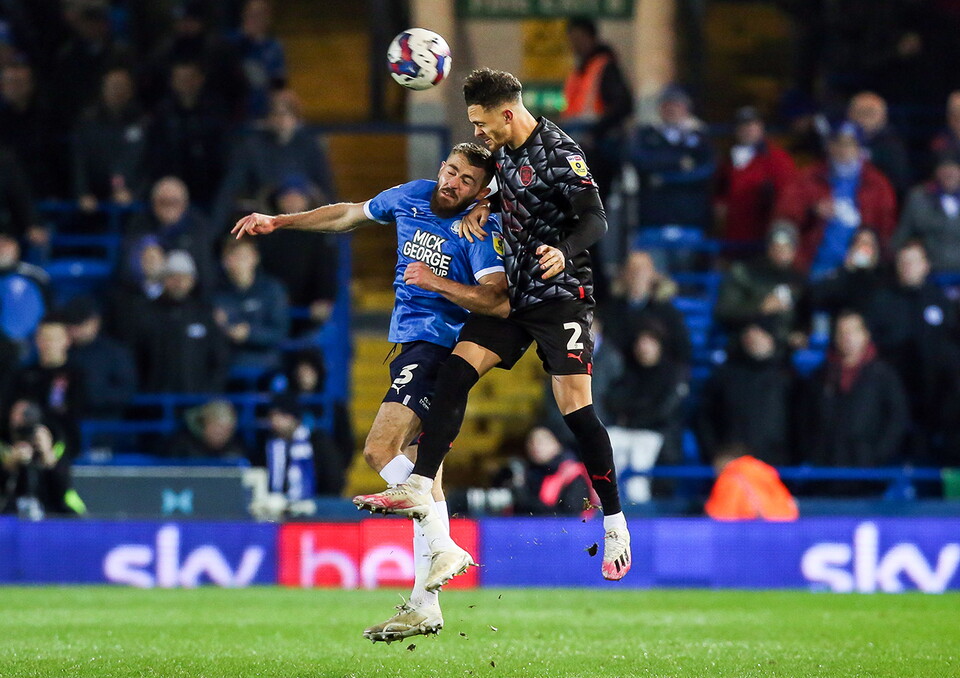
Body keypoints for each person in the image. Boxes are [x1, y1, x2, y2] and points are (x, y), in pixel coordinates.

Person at [352, 68, 633, 584]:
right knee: (455, 373)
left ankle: (614, 521)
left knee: (576, 410)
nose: (478, 134)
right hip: (517, 298)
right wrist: (484, 205)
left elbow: (596, 220)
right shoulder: (502, 155)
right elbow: (509, 193)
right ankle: (419, 483)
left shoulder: (560, 152)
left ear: (507, 113)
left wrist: (562, 250)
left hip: (561, 298)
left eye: (482, 124)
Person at [232, 142, 506, 641]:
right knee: (427, 474)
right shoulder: (411, 195)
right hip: (410, 345)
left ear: (482, 189)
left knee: (381, 450)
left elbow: (495, 299)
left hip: (439, 347)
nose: (453, 183)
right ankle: (426, 604)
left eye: (467, 180)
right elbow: (349, 215)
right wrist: (280, 221)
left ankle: (444, 541)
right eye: (450, 171)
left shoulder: (479, 226)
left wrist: (437, 283)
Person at [864, 240, 960, 463]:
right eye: (904, 262)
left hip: (934, 389)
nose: (908, 267)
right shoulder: (882, 300)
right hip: (892, 384)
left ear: (926, 265)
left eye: (914, 262)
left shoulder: (939, 300)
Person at [797, 310, 909, 495]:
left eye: (853, 331)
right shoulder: (820, 376)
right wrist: (814, 454)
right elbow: (804, 419)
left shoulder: (884, 375)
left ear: (865, 335)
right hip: (825, 475)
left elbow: (897, 419)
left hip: (868, 476)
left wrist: (876, 456)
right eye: (842, 332)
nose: (847, 338)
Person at [774, 121, 897, 278]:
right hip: (812, 268)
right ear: (829, 146)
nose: (843, 150)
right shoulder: (808, 178)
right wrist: (812, 211)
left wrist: (870, 236)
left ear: (859, 148)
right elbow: (785, 217)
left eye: (850, 144)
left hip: (859, 273)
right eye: (838, 143)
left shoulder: (877, 183)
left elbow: (887, 228)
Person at [604, 321, 687, 503]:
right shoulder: (628, 370)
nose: (644, 347)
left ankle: (639, 506)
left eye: (649, 342)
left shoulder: (673, 372)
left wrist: (634, 415)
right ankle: (604, 504)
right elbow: (614, 400)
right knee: (608, 440)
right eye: (640, 343)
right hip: (625, 430)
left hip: (655, 433)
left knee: (639, 464)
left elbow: (664, 410)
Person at [697, 317, 795, 466]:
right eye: (749, 335)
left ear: (771, 338)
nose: (754, 339)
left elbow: (800, 421)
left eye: (760, 334)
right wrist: (714, 454)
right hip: (732, 464)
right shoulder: (724, 376)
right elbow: (704, 417)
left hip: (778, 465)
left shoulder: (788, 377)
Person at [130, 250, 229, 393]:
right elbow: (136, 356)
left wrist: (210, 392)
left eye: (184, 277)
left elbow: (220, 357)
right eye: (173, 277)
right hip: (155, 401)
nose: (179, 282)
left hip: (198, 400)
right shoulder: (146, 313)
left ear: (192, 280)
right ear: (163, 279)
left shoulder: (204, 313)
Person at [560, 16, 633, 203]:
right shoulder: (580, 70)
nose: (574, 45)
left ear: (589, 38)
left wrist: (595, 132)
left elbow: (623, 104)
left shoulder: (603, 67)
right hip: (578, 144)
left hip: (597, 149)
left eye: (577, 39)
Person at [630, 83, 715, 231]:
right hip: (654, 214)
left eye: (677, 105)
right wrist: (678, 162)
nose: (672, 109)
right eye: (667, 105)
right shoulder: (647, 134)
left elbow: (707, 168)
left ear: (686, 109)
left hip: (689, 214)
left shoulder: (699, 135)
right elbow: (638, 160)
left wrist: (666, 177)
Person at [145, 59, 229, 208]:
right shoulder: (163, 112)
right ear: (172, 81)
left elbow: (222, 151)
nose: (185, 83)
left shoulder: (215, 110)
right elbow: (156, 153)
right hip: (172, 184)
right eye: (180, 78)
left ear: (200, 79)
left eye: (190, 78)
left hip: (209, 188)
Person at [714, 222, 808, 346]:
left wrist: (799, 334)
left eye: (786, 248)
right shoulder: (745, 273)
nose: (781, 253)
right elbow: (725, 312)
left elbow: (805, 318)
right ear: (768, 248)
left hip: (783, 350)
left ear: (794, 251)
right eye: (776, 247)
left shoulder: (799, 281)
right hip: (743, 345)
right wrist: (760, 308)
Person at [248, 393, 343, 517]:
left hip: (314, 510)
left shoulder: (317, 442)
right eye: (272, 416)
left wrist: (319, 504)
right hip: (273, 511)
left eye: (282, 416)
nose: (275, 421)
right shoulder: (265, 445)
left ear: (294, 417)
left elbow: (333, 478)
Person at [713, 106, 797, 244]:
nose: (747, 130)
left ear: (761, 127)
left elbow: (788, 194)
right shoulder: (728, 158)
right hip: (734, 234)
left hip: (763, 236)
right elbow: (720, 189)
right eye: (742, 126)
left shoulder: (777, 158)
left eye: (751, 125)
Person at [123, 177, 218, 293]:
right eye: (163, 202)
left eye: (174, 202)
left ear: (185, 204)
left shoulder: (198, 226)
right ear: (153, 203)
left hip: (189, 298)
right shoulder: (139, 224)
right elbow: (126, 270)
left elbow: (205, 273)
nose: (169, 207)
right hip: (146, 297)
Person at [72, 66, 147, 212]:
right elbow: (79, 161)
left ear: (130, 90)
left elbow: (147, 165)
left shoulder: (143, 122)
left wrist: (135, 193)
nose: (117, 91)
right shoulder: (88, 122)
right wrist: (83, 193)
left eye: (122, 86)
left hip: (132, 201)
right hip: (95, 201)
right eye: (113, 86)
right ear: (103, 89)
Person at [600, 250, 691, 366]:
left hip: (659, 375)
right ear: (624, 274)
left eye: (643, 271)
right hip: (621, 375)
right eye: (633, 271)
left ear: (653, 275)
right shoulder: (610, 310)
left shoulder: (667, 311)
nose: (638, 276)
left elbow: (682, 350)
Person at [10, 317, 85, 457]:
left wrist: (51, 451)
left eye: (54, 338)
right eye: (44, 338)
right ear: (37, 341)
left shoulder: (76, 375)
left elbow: (74, 414)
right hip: (25, 442)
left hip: (63, 445)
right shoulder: (24, 375)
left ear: (67, 340)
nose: (48, 344)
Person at [213, 237, 289, 373]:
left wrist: (249, 334)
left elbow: (279, 331)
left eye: (244, 256)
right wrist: (221, 329)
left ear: (255, 258)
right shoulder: (216, 293)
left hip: (265, 366)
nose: (240, 262)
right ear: (225, 261)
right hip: (226, 367)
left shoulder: (271, 289)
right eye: (234, 256)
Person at [0, 400, 83, 517]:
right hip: (11, 511)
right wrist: (8, 466)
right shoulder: (4, 445)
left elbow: (61, 489)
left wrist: (48, 456)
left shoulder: (56, 442)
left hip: (57, 511)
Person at [490, 426, 596, 516]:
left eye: (542, 442)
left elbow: (570, 515)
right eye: (531, 442)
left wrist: (524, 501)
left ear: (557, 444)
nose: (536, 447)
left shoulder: (573, 475)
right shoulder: (525, 473)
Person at [63, 296, 137, 419]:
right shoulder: (63, 351)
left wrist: (93, 395)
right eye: (71, 323)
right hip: (70, 422)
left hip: (106, 424)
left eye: (80, 323)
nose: (75, 329)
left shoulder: (115, 353)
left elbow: (127, 390)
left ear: (95, 322)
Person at [893, 150, 960, 273]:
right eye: (944, 168)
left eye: (954, 168)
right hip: (928, 272)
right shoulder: (919, 197)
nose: (949, 173)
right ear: (936, 171)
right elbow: (903, 233)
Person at [704, 444, 798, 521]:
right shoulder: (763, 470)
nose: (715, 473)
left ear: (723, 462)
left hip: (753, 530)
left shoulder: (732, 475)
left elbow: (724, 515)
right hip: (784, 527)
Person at [846, 91, 913, 197]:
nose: (864, 118)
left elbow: (898, 184)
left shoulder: (893, 145)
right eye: (860, 112)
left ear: (883, 117)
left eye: (870, 113)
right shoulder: (838, 141)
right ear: (849, 115)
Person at [167, 399, 248, 460]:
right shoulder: (181, 445)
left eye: (226, 429)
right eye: (216, 427)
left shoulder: (238, 449)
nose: (220, 432)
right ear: (204, 424)